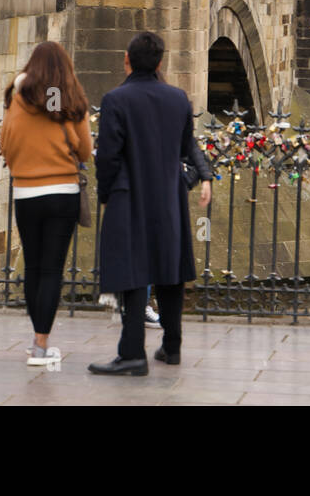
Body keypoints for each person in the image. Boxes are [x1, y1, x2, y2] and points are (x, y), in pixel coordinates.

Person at [89, 31, 212, 376]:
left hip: (130, 197)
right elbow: (187, 146)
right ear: (160, 63)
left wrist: (106, 193)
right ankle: (171, 347)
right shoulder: (178, 98)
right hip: (169, 197)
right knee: (169, 271)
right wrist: (204, 177)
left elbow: (108, 157)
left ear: (127, 61)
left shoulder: (116, 100)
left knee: (132, 271)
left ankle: (132, 353)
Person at [0, 41, 92, 365]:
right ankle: (41, 344)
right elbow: (84, 151)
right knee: (53, 268)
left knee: (35, 267)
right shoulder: (70, 99)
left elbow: (5, 143)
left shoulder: (16, 98)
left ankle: (37, 341)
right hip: (62, 192)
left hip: (26, 193)